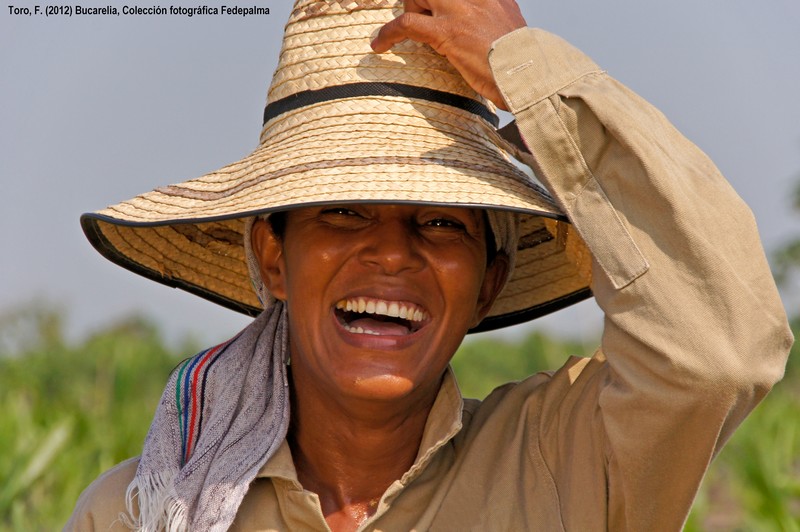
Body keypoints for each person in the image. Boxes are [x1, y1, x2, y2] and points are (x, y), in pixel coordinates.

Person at [67, 0, 792, 530]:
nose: (391, 252)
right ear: (272, 258)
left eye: (441, 222)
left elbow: (720, 353)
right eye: (344, 210)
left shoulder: (562, 464)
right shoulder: (143, 512)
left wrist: (531, 75)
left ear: (488, 284)